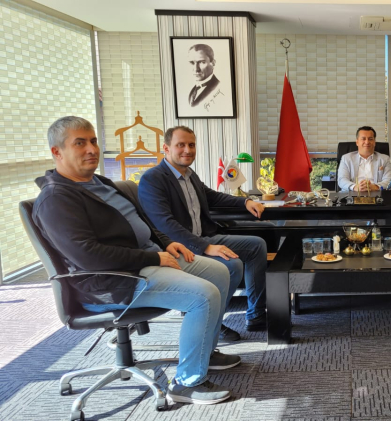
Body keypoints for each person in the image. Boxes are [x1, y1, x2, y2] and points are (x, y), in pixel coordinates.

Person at [33, 116, 240, 405]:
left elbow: (143, 222)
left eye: (93, 141)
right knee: (203, 296)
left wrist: (167, 243)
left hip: (145, 260)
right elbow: (88, 256)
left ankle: (205, 352)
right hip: (113, 280)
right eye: (80, 143)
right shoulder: (56, 198)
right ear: (57, 152)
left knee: (220, 272)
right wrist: (154, 256)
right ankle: (186, 383)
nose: (91, 149)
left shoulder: (101, 183)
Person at [139, 126, 268, 337]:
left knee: (256, 245)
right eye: (180, 145)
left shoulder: (189, 175)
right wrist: (206, 247)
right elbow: (164, 224)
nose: (187, 150)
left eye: (191, 145)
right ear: (166, 148)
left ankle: (256, 315)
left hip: (204, 237)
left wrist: (245, 201)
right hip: (179, 247)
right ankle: (211, 321)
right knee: (232, 265)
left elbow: (213, 197)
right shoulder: (153, 179)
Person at [337, 126, 391, 192]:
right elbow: (342, 180)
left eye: (370, 139)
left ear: (374, 142)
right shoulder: (346, 158)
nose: (367, 142)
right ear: (357, 142)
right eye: (363, 139)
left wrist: (375, 187)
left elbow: (389, 180)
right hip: (352, 195)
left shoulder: (384, 159)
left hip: (376, 195)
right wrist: (355, 187)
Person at [187, 44, 221, 108]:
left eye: (202, 62)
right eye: (192, 63)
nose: (196, 69)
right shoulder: (193, 90)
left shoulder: (220, 89)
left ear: (213, 63)